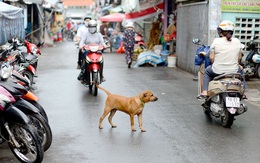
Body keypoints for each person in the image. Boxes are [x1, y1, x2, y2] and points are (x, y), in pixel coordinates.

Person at [197, 20, 247, 100]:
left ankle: (205, 92)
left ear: (220, 31)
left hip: (217, 70)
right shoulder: (237, 41)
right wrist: (237, 64)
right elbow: (239, 58)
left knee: (206, 72)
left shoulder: (216, 41)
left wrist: (216, 62)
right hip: (233, 71)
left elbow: (211, 58)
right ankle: (244, 93)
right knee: (241, 71)